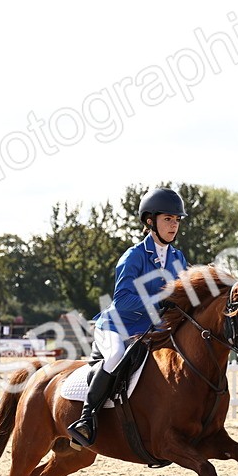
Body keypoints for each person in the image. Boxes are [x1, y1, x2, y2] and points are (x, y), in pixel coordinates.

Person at [66, 187, 190, 447]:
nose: (174, 225)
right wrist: (160, 302)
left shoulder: (178, 258)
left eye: (177, 220)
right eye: (168, 218)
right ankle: (86, 421)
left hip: (150, 330)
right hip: (116, 327)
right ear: (150, 221)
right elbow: (122, 302)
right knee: (114, 356)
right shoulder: (132, 257)